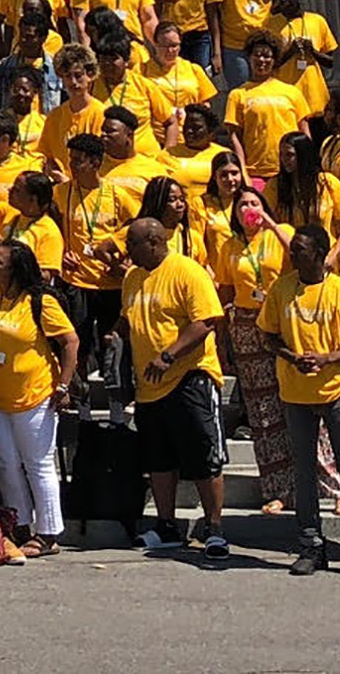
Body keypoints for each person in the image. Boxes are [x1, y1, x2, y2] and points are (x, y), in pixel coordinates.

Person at [259, 222, 340, 580]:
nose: (292, 253)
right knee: (303, 470)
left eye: (299, 248)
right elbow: (267, 334)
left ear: (317, 253)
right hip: (295, 392)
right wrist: (289, 354)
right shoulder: (282, 289)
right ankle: (311, 544)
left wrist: (327, 358)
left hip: (335, 390)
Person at [120, 215, 229, 559]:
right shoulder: (132, 278)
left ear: (153, 241)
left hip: (189, 377)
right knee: (159, 459)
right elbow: (129, 319)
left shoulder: (187, 271)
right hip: (149, 385)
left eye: (132, 244)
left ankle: (214, 529)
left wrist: (168, 355)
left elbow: (206, 321)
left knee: (203, 455)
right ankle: (166, 525)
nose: (127, 250)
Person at [0, 236, 76, 553]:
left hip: (34, 395)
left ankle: (48, 533)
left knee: (38, 463)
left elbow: (70, 342)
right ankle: (19, 524)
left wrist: (63, 385)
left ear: (16, 269)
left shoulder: (40, 302)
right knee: (4, 462)